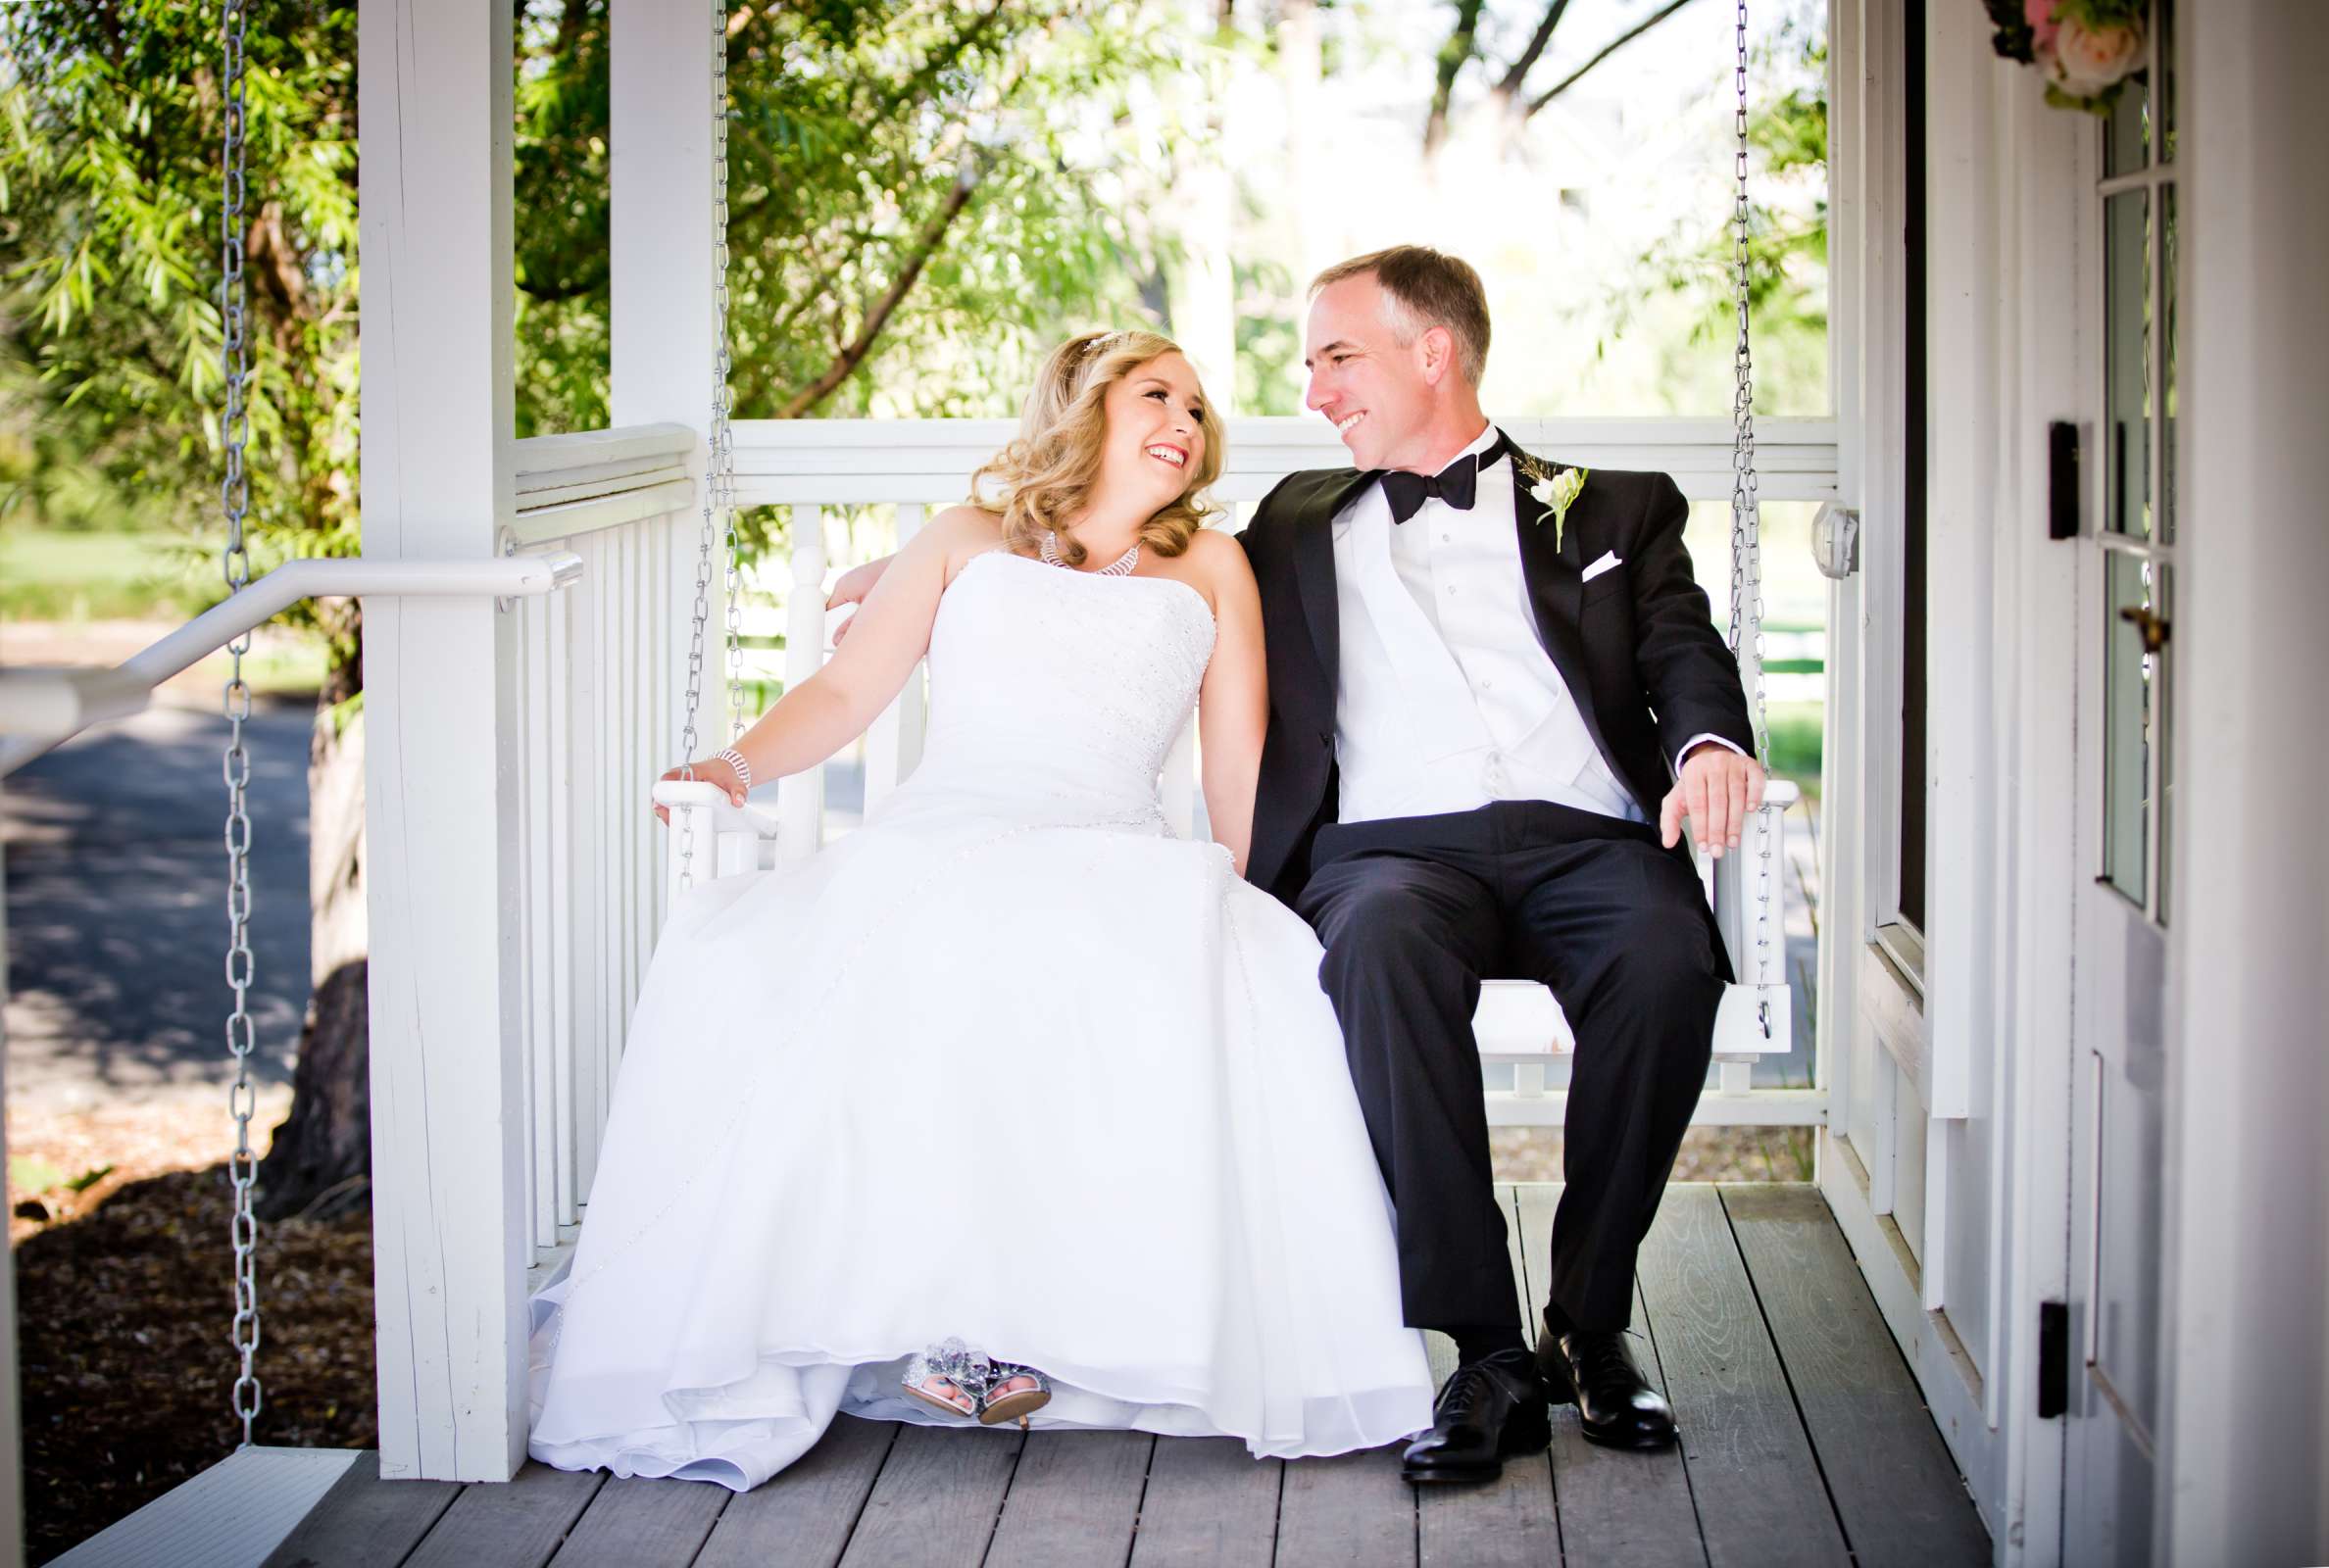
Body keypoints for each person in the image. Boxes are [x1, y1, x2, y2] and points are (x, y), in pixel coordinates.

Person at [833, 247, 1766, 1489]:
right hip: (1396, 856)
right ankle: (1484, 1346)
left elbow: (1681, 643)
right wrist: (920, 581)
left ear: (1431, 352)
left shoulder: (1616, 506)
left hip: (1585, 835)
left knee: (1667, 963)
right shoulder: (1292, 520)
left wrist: (1709, 738)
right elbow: (1107, 551)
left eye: (1337, 358)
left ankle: (1587, 1323)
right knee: (1372, 948)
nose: (1314, 390)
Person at [524, 329, 1434, 1491]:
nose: (1187, 422)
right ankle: (947, 1328)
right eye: (1158, 393)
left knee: (1123, 954)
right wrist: (733, 768)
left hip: (1112, 846)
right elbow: (851, 687)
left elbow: (1236, 769)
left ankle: (1063, 1329)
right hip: (942, 833)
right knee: (922, 937)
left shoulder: (1210, 567)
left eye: (1200, 409)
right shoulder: (965, 541)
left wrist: (1248, 901)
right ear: (1083, 406)